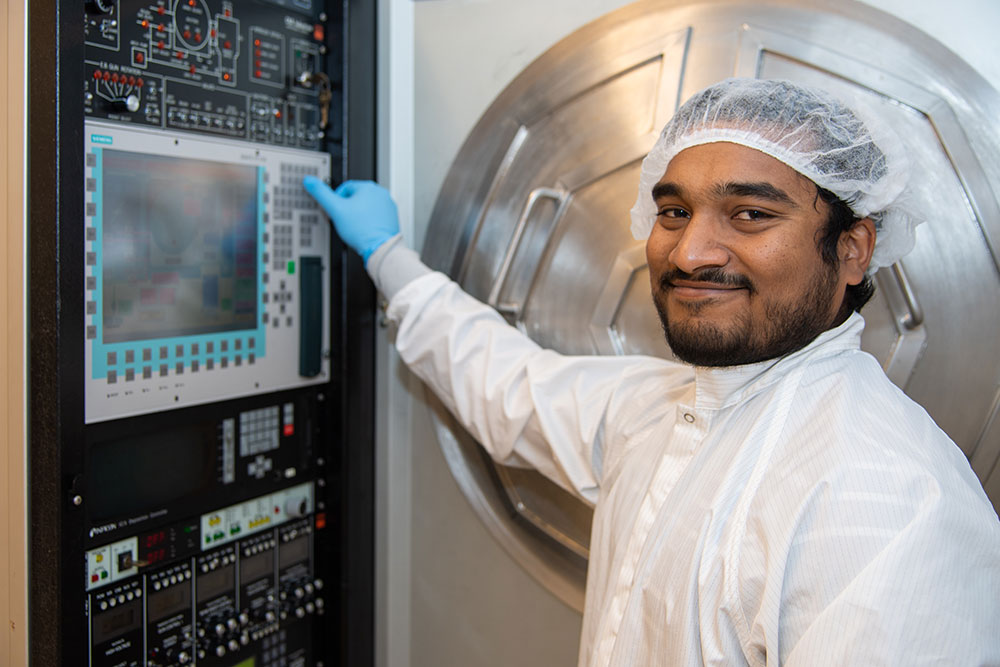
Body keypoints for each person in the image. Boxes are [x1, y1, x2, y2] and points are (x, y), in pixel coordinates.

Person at [305, 78, 1000, 665]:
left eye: (751, 213)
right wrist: (388, 255)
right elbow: (510, 386)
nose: (692, 250)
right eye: (673, 210)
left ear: (852, 249)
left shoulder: (895, 505)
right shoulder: (661, 405)